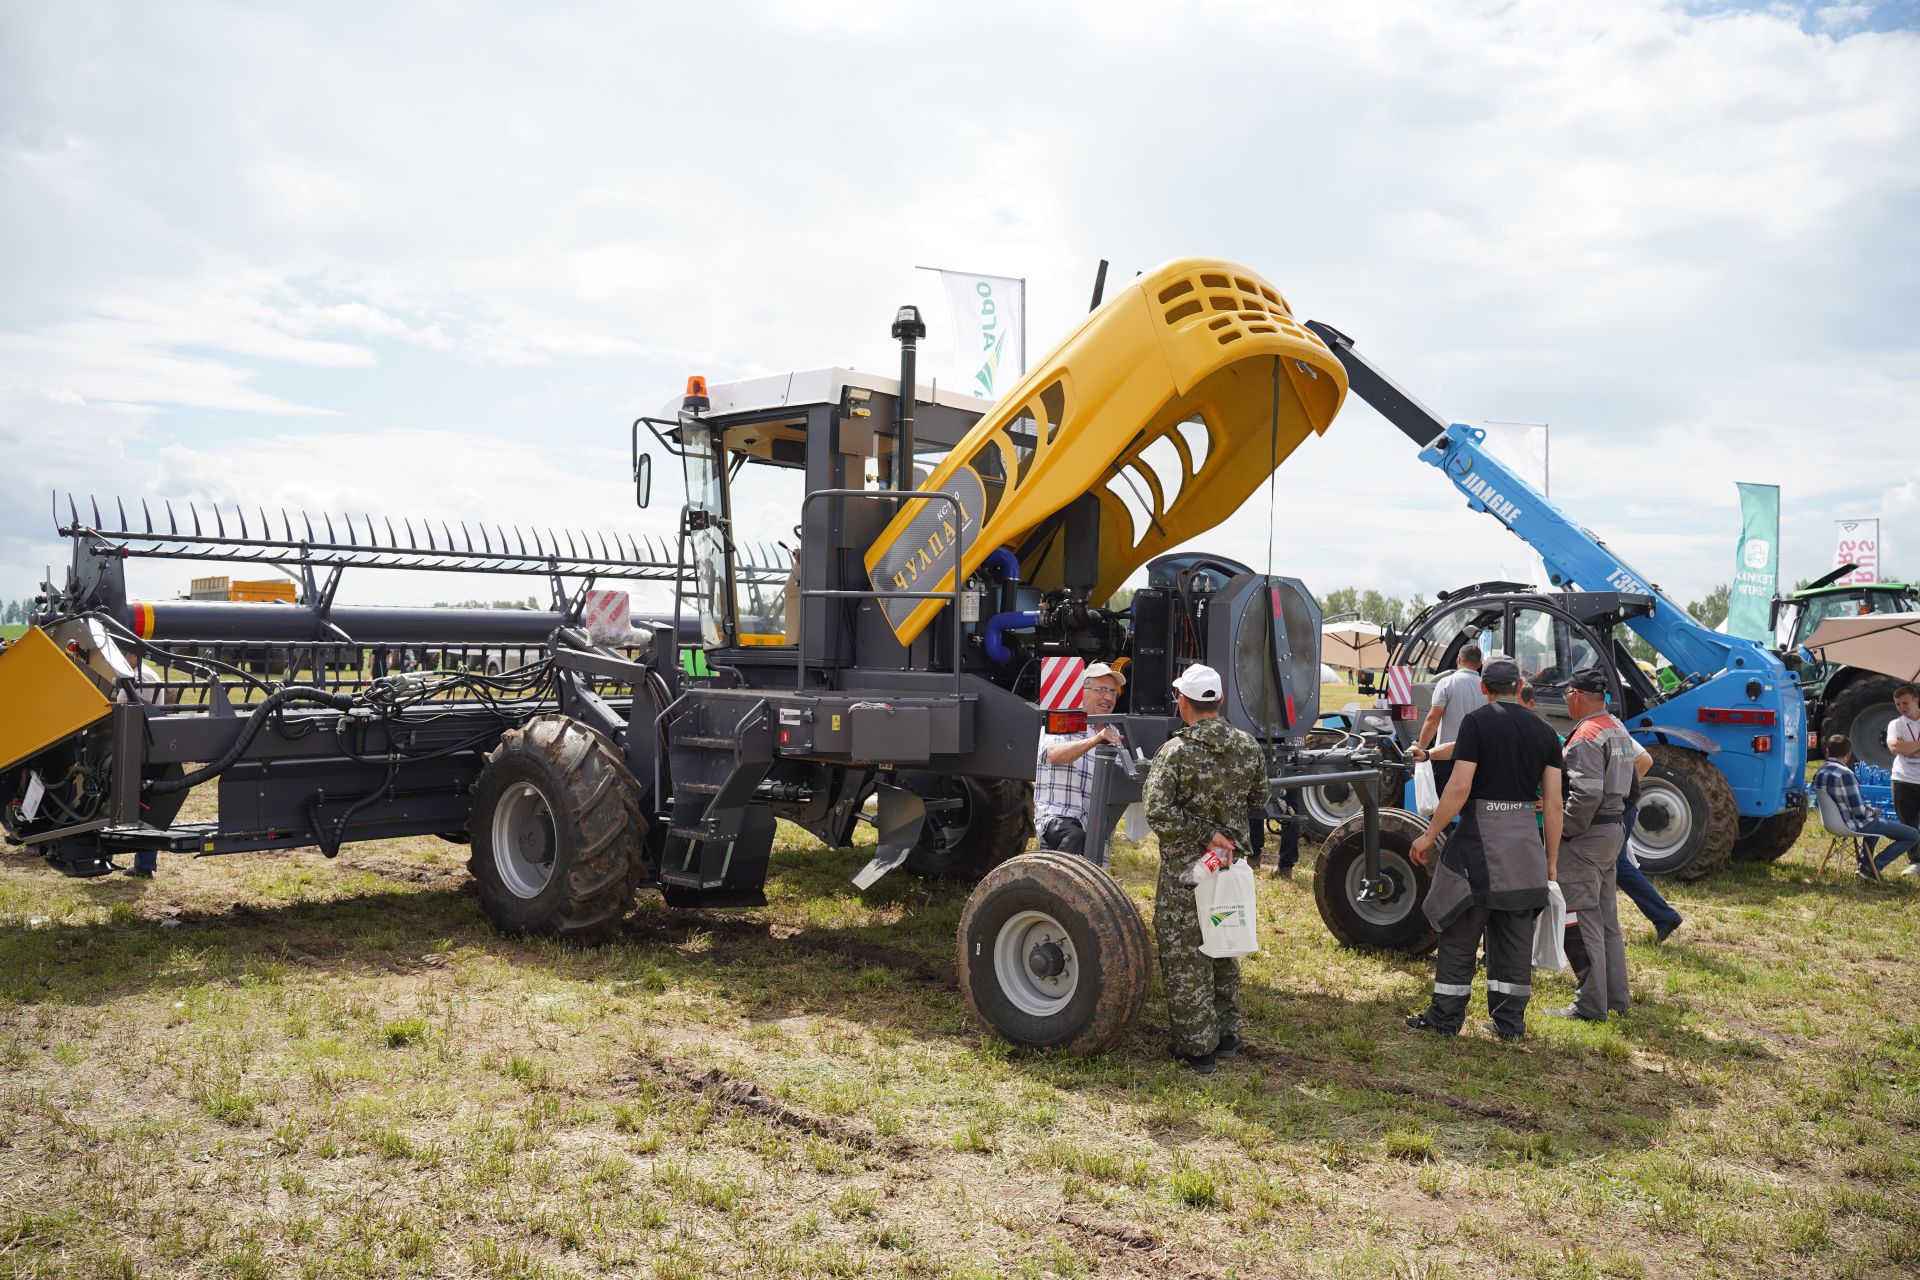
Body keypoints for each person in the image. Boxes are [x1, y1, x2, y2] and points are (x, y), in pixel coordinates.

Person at [1404, 658, 1563, 1043]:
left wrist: (1429, 835)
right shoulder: (1545, 732)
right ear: (1520, 685)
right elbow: (1555, 803)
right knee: (1513, 939)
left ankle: (1446, 1019)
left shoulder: (1477, 721)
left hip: (1479, 843)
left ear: (1483, 688)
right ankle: (1509, 1025)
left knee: (1459, 932)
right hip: (1525, 846)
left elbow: (1459, 787)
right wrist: (1551, 862)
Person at [1143, 664, 1269, 1074]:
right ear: (1218, 701)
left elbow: (1157, 811)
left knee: (1185, 954)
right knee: (1223, 942)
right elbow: (1258, 796)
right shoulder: (1248, 745)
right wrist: (1223, 830)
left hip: (1187, 871)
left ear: (1184, 702)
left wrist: (1203, 832)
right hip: (1230, 866)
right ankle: (1228, 1032)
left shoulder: (1177, 751)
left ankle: (1198, 1048)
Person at [1514, 687, 1678, 941]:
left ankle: (1660, 916)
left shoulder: (1601, 729)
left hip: (1610, 811)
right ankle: (1658, 916)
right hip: (1611, 808)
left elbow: (1644, 761)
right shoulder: (1604, 727)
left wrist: (1615, 794)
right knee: (1615, 866)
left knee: (1616, 865)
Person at [1547, 669, 1637, 1021]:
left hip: (1586, 837)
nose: (1564, 700)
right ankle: (1616, 998)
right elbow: (1632, 787)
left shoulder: (1586, 735)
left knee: (1583, 923)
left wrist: (1563, 832)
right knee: (1606, 921)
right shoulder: (1616, 727)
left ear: (1577, 695)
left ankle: (1590, 1005)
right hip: (1612, 830)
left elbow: (1585, 794)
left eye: (1566, 694)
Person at [1034, 663, 1127, 864]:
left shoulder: (1116, 733)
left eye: (1113, 692)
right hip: (1060, 822)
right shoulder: (1063, 719)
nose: (1109, 698)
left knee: (1090, 887)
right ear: (1082, 691)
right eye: (1101, 690)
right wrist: (1095, 740)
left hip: (1096, 831)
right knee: (1074, 843)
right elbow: (1054, 754)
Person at [1814, 733, 1920, 880]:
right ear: (1849, 754)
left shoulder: (1819, 772)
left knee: (1873, 821)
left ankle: (1864, 866)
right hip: (1850, 824)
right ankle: (1873, 867)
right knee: (1913, 835)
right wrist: (1872, 810)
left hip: (1831, 823)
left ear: (1827, 751)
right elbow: (1859, 811)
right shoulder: (1845, 774)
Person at [1418, 644, 1488, 801]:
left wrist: (1421, 749)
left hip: (1446, 757)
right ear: (1479, 664)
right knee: (1471, 804)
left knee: (1440, 804)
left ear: (1458, 659)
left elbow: (1433, 718)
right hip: (1477, 757)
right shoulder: (1486, 687)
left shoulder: (1446, 683)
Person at [1888, 683, 1920, 835]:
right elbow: (1894, 747)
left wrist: (1907, 748)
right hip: (1903, 780)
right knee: (1908, 826)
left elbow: (1901, 748)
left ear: (1916, 700)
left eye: (1905, 703)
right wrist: (1916, 748)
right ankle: (1915, 858)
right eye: (1898, 704)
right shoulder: (1895, 724)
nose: (1902, 708)